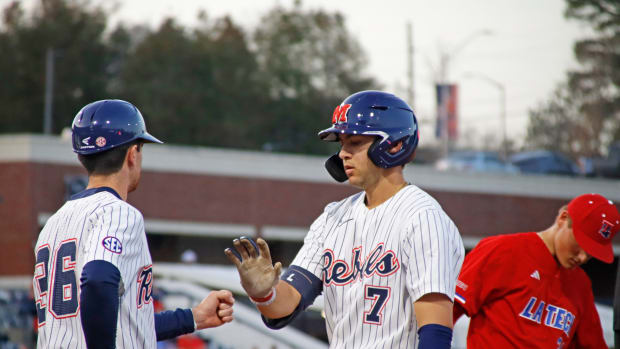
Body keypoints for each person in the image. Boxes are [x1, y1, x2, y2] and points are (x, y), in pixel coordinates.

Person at [225, 90, 465, 348]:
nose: (342, 154)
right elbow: (286, 305)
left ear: (394, 144)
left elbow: (436, 331)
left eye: (355, 142)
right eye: (341, 143)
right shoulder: (333, 218)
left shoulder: (423, 217)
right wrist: (263, 294)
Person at [33, 99, 234, 348]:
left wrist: (193, 318)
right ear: (132, 154)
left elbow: (125, 325)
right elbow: (98, 280)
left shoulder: (54, 223)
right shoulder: (118, 212)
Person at [453, 193, 619, 348]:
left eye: (591, 253)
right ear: (563, 218)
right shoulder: (503, 250)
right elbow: (447, 309)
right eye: (580, 245)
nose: (582, 258)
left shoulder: (580, 283)